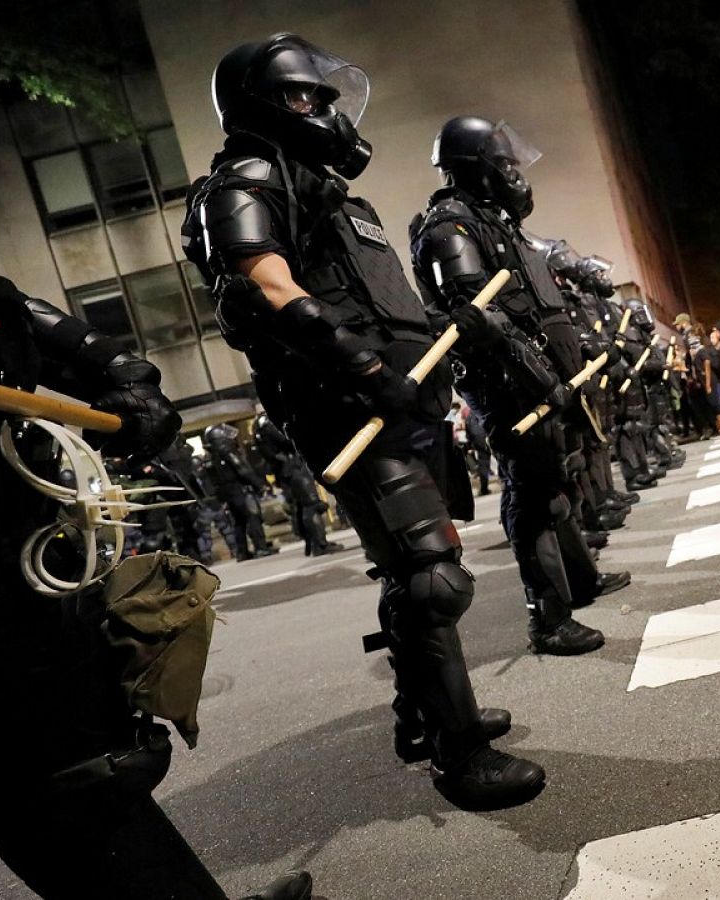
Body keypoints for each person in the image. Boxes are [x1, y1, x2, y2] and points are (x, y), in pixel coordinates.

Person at [181, 34, 543, 810]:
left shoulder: (330, 192)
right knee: (431, 578)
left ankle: (424, 714)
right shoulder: (244, 180)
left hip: (401, 403)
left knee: (419, 574)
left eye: (322, 97)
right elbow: (263, 288)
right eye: (303, 98)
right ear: (260, 105)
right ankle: (461, 752)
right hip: (347, 406)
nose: (323, 111)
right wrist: (365, 367)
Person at [0, 202, 310, 899]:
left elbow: (38, 329)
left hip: (26, 552)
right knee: (60, 777)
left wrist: (127, 380)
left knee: (96, 756)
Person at [410, 114, 624, 657]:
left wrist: (576, 352)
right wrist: (542, 378)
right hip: (508, 386)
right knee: (531, 497)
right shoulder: (450, 228)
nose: (515, 175)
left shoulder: (496, 223)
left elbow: (536, 308)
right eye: (504, 164)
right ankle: (548, 619)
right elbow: (483, 318)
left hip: (543, 381)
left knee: (557, 482)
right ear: (472, 169)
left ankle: (581, 580)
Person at [253, 413, 344, 556]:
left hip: (287, 469)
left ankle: (312, 543)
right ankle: (320, 544)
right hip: (293, 467)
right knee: (311, 504)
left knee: (301, 507)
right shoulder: (268, 424)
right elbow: (288, 440)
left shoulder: (260, 426)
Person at [201, 423, 279, 560]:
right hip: (239, 489)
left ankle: (242, 552)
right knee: (252, 516)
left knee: (239, 522)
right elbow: (241, 468)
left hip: (228, 493)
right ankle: (261, 547)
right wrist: (259, 484)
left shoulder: (210, 457)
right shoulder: (226, 450)